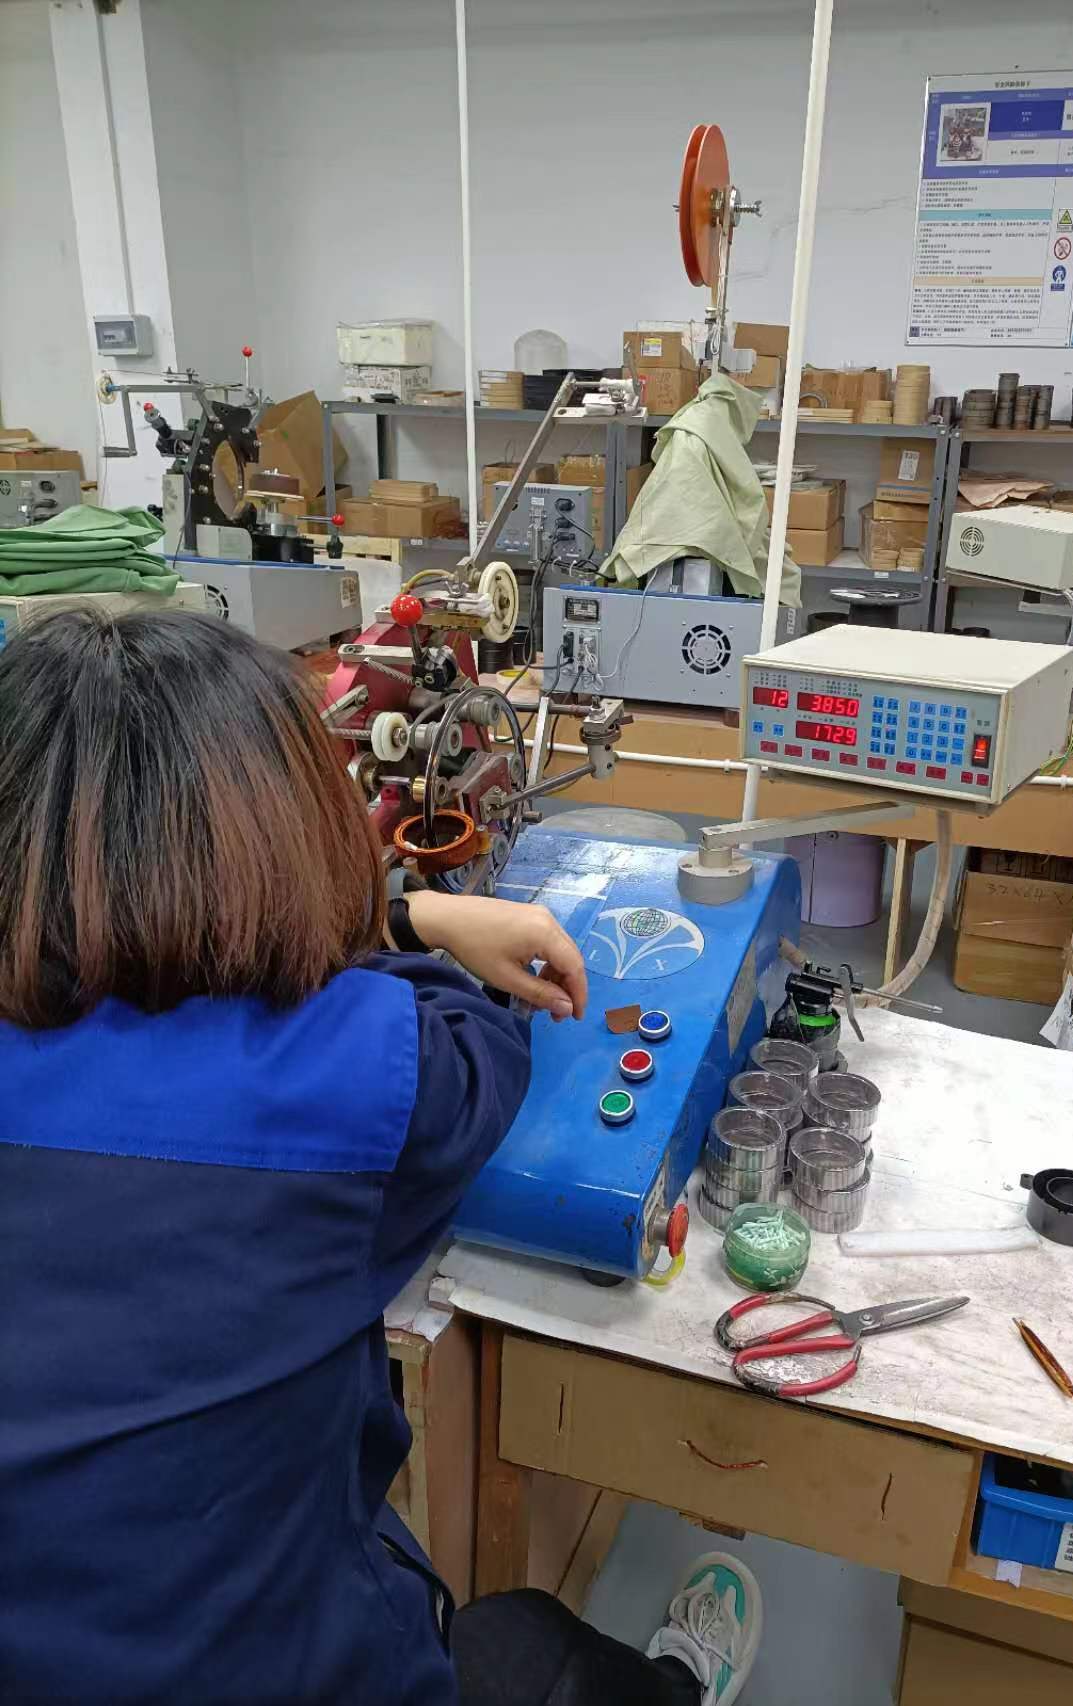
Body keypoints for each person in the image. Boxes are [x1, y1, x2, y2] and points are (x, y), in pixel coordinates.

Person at [0, 609, 762, 1706]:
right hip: (280, 1669)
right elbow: (477, 1045)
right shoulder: (352, 1071)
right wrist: (413, 921)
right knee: (531, 1642)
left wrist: (393, 916)